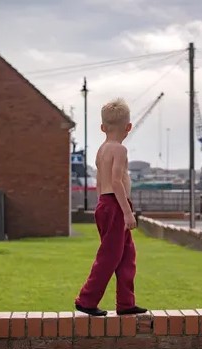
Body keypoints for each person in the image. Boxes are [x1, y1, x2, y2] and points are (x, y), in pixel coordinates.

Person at [74, 98, 147, 317]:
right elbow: (116, 182)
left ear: (103, 127)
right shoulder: (120, 150)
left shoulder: (101, 150)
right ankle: (86, 300)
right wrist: (127, 212)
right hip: (116, 206)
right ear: (129, 127)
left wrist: (102, 206)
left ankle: (126, 303)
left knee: (126, 256)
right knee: (109, 257)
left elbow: (100, 181)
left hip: (105, 204)